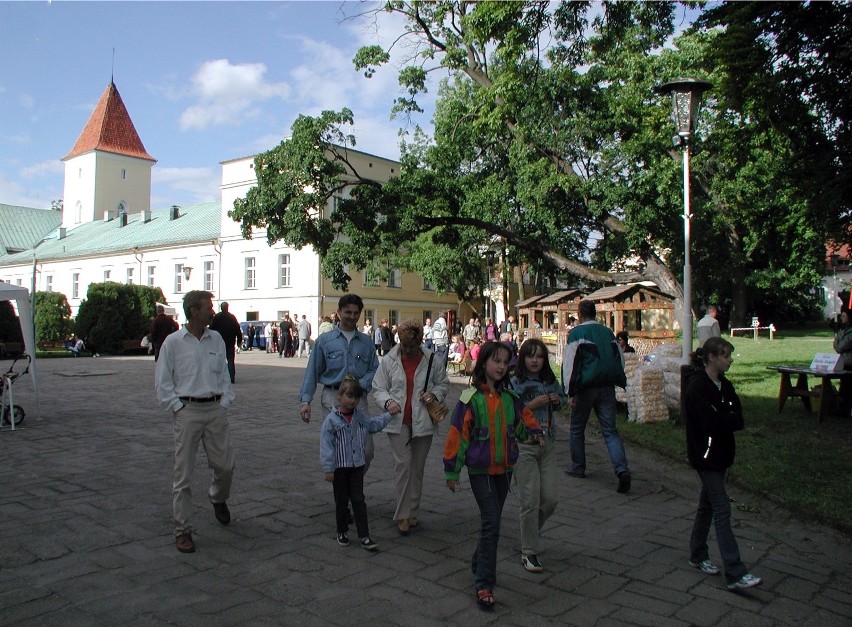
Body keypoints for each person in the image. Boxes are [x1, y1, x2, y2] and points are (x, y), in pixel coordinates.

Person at [444, 341, 543, 609]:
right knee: (492, 522)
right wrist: (452, 471)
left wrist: (535, 434)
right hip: (481, 472)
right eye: (495, 361)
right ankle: (484, 583)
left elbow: (524, 422)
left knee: (493, 520)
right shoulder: (469, 400)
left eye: (504, 362)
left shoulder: (511, 399)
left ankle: (479, 560)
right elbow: (457, 436)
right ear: (483, 363)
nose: (500, 366)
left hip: (505, 471)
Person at [154, 290, 235, 554]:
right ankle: (182, 530)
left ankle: (217, 496)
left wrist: (224, 402)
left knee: (225, 467)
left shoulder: (216, 339)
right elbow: (163, 380)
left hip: (214, 409)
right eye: (208, 307)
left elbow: (224, 372)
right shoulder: (174, 342)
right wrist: (177, 407)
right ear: (193, 311)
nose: (212, 311)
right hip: (187, 410)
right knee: (183, 475)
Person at [684, 337, 762, 590]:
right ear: (711, 358)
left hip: (722, 455)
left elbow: (738, 418)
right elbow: (708, 423)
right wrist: (724, 419)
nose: (729, 360)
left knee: (707, 506)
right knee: (721, 509)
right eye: (725, 356)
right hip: (705, 456)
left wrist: (725, 419)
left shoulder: (725, 386)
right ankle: (735, 572)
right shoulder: (697, 387)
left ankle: (697, 553)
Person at [371, 320, 449, 535]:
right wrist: (387, 402)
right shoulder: (388, 360)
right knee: (403, 466)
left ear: (420, 342)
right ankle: (403, 515)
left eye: (412, 347)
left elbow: (443, 383)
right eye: (405, 346)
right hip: (398, 421)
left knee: (417, 467)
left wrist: (434, 394)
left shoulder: (432, 359)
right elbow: (378, 387)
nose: (407, 351)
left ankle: (413, 510)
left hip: (423, 420)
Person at [298, 294, 380, 466]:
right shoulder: (324, 341)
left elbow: (374, 368)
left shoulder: (366, 342)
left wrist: (362, 384)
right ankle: (345, 491)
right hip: (332, 397)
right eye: (347, 312)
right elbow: (312, 371)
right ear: (339, 312)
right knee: (339, 448)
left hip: (358, 399)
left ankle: (354, 486)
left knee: (367, 451)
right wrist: (306, 401)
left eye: (356, 313)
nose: (352, 316)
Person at [561, 299, 631, 493]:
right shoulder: (608, 333)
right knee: (610, 431)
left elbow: (570, 364)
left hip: (585, 387)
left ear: (580, 314)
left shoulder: (576, 334)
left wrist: (570, 391)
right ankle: (621, 468)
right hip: (606, 387)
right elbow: (619, 359)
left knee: (576, 428)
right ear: (595, 313)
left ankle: (578, 467)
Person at [510, 339, 564, 573]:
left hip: (548, 442)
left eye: (539, 356)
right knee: (529, 500)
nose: (535, 360)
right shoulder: (515, 382)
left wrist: (556, 400)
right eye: (530, 356)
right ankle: (529, 551)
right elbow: (511, 413)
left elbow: (562, 401)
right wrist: (532, 405)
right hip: (524, 444)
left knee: (550, 499)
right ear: (523, 359)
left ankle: (530, 530)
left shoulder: (550, 381)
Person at [320, 377, 393, 551]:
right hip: (340, 467)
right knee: (342, 501)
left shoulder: (360, 417)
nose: (352, 401)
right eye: (349, 396)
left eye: (356, 398)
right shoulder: (331, 420)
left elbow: (373, 426)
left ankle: (364, 535)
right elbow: (326, 445)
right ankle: (342, 530)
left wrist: (389, 415)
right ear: (340, 397)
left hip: (357, 466)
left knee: (359, 500)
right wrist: (328, 468)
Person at [209, 302, 241, 384]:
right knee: (230, 360)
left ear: (221, 308)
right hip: (230, 342)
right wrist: (239, 341)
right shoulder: (232, 317)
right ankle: (231, 377)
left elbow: (211, 328)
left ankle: (219, 377)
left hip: (219, 342)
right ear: (227, 307)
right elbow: (238, 329)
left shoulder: (217, 317)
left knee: (219, 360)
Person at [833, 310, 852, 417]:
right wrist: (838, 346)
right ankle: (842, 408)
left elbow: (843, 345)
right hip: (843, 361)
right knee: (844, 386)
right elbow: (836, 345)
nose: (842, 318)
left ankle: (847, 409)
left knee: (849, 386)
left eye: (844, 316)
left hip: (850, 361)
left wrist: (839, 346)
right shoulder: (841, 329)